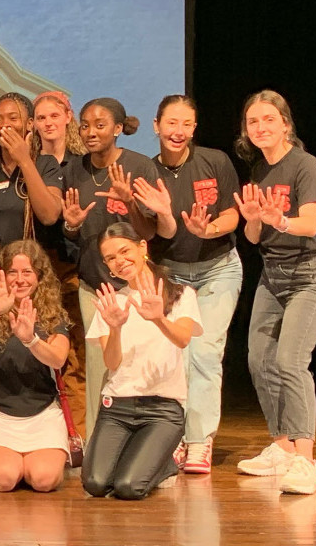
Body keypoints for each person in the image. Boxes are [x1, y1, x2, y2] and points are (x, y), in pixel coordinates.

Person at [232, 90, 316, 495]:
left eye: (268, 120)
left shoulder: (304, 165)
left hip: (311, 276)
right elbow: (255, 234)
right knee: (259, 360)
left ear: (285, 123)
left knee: (291, 360)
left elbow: (310, 225)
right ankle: (282, 446)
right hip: (273, 276)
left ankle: (305, 462)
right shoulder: (260, 169)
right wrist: (257, 219)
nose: (260, 127)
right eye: (253, 121)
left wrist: (282, 219)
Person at [131, 95, 242, 474]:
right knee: (175, 356)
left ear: (195, 128)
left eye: (187, 124)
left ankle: (199, 441)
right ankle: (172, 437)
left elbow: (231, 214)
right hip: (171, 274)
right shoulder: (145, 172)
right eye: (171, 123)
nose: (178, 131)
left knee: (205, 352)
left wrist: (207, 229)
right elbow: (156, 231)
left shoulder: (215, 161)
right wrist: (165, 214)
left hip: (217, 269)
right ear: (156, 125)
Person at [60, 97, 159, 434]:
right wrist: (71, 224)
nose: (90, 132)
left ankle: (147, 435)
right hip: (95, 286)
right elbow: (71, 233)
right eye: (84, 125)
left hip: (135, 283)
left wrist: (129, 201)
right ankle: (98, 441)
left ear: (117, 129)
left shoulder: (141, 166)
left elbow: (150, 230)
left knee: (140, 361)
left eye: (99, 125)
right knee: (101, 364)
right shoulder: (75, 168)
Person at [82, 223, 201, 500]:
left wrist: (159, 318)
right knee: (96, 484)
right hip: (117, 407)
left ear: (142, 248)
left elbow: (183, 339)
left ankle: (165, 465)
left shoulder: (181, 294)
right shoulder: (111, 303)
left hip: (162, 410)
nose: (119, 262)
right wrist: (115, 327)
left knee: (128, 487)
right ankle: (142, 458)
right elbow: (112, 363)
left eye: (124, 251)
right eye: (110, 258)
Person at [0, 240, 70, 492]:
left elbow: (57, 358)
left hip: (42, 413)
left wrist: (31, 339)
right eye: (13, 272)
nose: (20, 279)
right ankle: (9, 463)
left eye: (27, 272)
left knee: (44, 480)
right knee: (4, 479)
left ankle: (28, 463)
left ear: (39, 276)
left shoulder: (52, 311)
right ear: (2, 274)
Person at [0, 92, 63, 300]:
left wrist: (24, 161)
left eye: (12, 118)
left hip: (31, 279)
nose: (4, 125)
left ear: (28, 124)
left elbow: (49, 215)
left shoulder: (46, 165)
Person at [31, 91, 88, 437]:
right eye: (41, 117)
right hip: (39, 268)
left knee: (76, 356)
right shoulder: (30, 162)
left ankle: (79, 434)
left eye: (55, 115)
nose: (48, 123)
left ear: (68, 116)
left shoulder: (83, 164)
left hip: (74, 267)